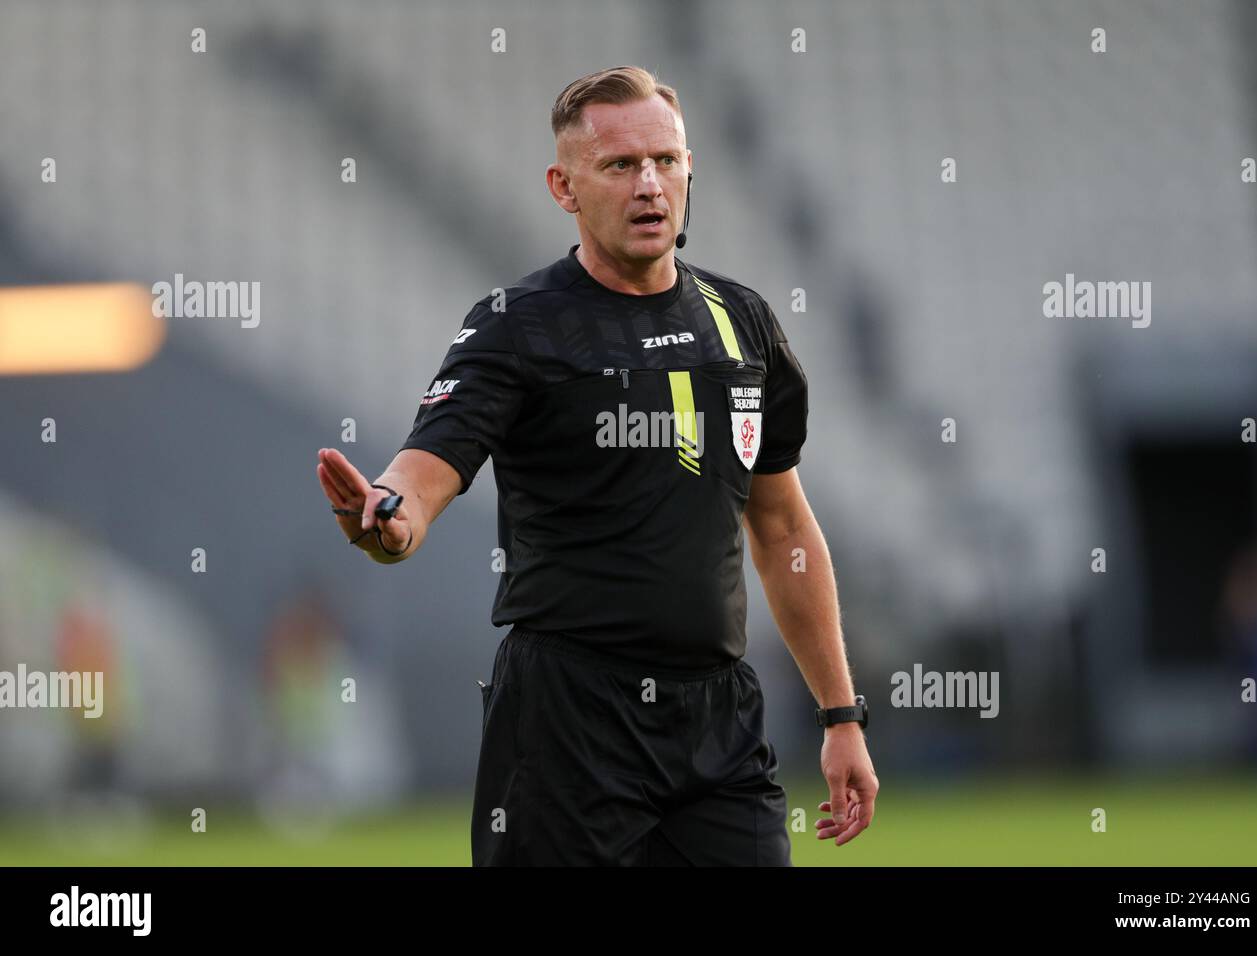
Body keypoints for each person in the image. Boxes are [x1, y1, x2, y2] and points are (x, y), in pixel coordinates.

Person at [315, 65, 879, 865]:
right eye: (621, 166)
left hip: (718, 723)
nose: (650, 184)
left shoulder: (742, 324)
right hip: (567, 725)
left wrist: (841, 715)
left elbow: (783, 524)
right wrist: (388, 518)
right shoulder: (520, 327)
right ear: (564, 186)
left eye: (667, 161)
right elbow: (428, 463)